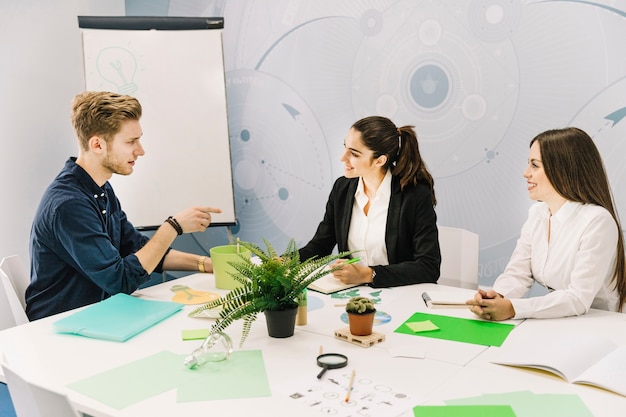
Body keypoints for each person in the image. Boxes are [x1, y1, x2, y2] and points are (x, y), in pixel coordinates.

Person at [26, 91, 222, 320]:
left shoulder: (100, 189)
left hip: (95, 315)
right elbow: (120, 281)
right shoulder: (69, 206)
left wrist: (208, 265)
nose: (141, 150)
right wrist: (173, 227)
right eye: (131, 142)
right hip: (59, 328)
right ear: (97, 144)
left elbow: (137, 248)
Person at [468, 127, 626, 321]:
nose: (525, 173)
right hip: (562, 320)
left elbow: (577, 298)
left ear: (562, 170)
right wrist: (496, 298)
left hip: (602, 324)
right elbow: (518, 274)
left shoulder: (597, 221)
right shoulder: (537, 214)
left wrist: (513, 308)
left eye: (535, 165)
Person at [298, 115, 440, 287]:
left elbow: (428, 267)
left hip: (400, 295)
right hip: (351, 297)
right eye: (345, 147)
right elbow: (320, 246)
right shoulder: (342, 188)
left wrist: (369, 274)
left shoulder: (415, 195)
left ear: (380, 160)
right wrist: (284, 262)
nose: (343, 158)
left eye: (354, 154)